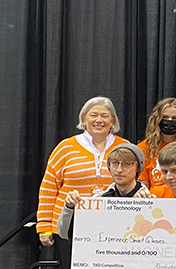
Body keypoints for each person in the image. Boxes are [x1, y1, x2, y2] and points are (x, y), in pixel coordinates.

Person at [37, 96, 124, 257]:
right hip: (70, 226)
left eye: (104, 116)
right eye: (93, 115)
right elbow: (48, 188)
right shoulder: (65, 147)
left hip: (112, 227)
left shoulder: (124, 148)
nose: (99, 120)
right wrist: (44, 225)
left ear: (113, 120)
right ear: (84, 118)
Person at [137, 97, 176, 188]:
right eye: (165, 117)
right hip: (156, 198)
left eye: (174, 118)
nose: (169, 121)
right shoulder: (144, 147)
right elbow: (143, 183)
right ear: (157, 119)